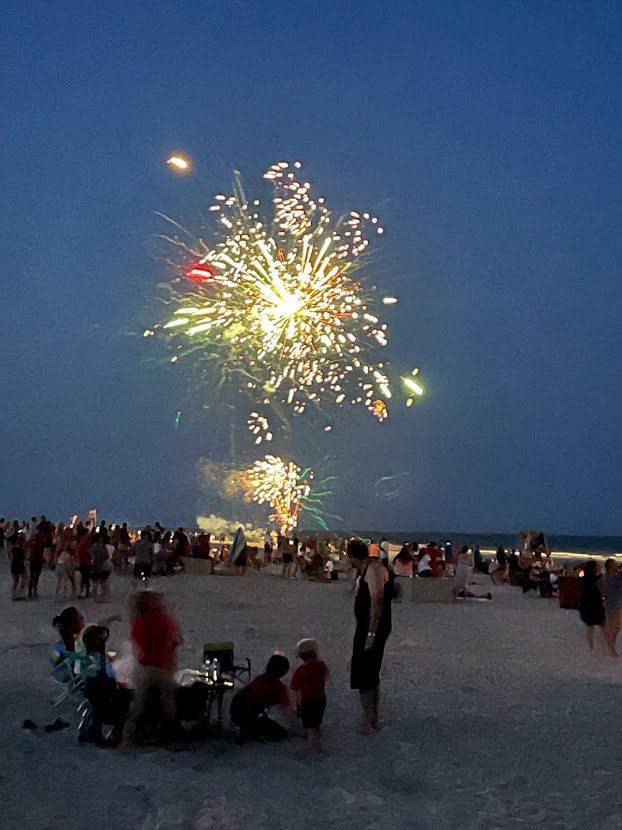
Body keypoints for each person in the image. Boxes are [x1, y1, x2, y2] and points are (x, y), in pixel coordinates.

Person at [119, 591, 182, 748]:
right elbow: (176, 640)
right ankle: (171, 737)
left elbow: (138, 641)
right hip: (162, 667)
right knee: (168, 705)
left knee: (137, 705)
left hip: (145, 666)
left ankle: (128, 738)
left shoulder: (139, 621)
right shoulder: (164, 620)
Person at [347, 538, 393, 735]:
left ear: (351, 556)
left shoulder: (373, 569)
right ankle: (372, 718)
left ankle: (368, 721)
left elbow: (377, 600)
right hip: (369, 627)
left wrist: (371, 634)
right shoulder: (369, 568)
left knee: (365, 671)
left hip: (372, 628)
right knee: (370, 671)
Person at [229, 654, 290, 741]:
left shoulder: (260, 679)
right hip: (251, 715)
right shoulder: (279, 687)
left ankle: (248, 730)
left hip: (236, 710)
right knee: (281, 734)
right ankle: (251, 731)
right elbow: (284, 708)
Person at [290, 639, 328, 753]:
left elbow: (294, 689)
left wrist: (295, 706)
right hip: (321, 700)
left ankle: (312, 748)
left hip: (307, 702)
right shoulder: (321, 666)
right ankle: (318, 745)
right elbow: (326, 677)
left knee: (309, 725)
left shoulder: (300, 671)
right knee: (316, 723)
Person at [579, 560, 606, 652]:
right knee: (603, 626)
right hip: (596, 604)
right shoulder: (598, 578)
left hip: (585, 604)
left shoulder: (583, 579)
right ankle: (604, 646)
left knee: (590, 627)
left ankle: (591, 647)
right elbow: (603, 591)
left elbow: (574, 575)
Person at [603, 559, 622, 657]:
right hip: (614, 606)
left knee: (614, 627)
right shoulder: (613, 577)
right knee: (615, 628)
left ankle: (609, 644)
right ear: (610, 566)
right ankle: (611, 649)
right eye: (615, 564)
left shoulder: (608, 576)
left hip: (611, 605)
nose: (617, 566)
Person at [10, 536, 28, 600]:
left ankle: (14, 595)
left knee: (15, 581)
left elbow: (10, 556)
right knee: (25, 579)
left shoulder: (13, 549)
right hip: (20, 565)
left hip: (13, 565)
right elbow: (25, 557)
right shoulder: (22, 550)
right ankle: (20, 594)